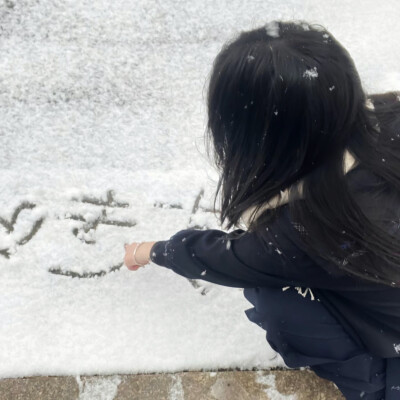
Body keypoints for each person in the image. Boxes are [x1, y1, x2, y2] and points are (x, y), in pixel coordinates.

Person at [123, 20, 400, 399]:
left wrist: (152, 250)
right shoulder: (391, 114)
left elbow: (227, 258)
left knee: (277, 297)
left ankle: (372, 386)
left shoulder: (306, 231)